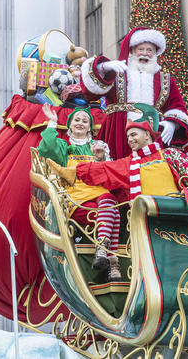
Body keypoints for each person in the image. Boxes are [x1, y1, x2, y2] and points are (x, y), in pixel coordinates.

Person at [47, 104, 188, 205]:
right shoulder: (129, 163)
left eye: (134, 134)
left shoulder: (168, 155)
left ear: (147, 135)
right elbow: (101, 170)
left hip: (176, 212)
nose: (130, 140)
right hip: (145, 221)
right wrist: (70, 172)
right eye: (128, 136)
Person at [37, 104, 122, 281]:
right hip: (76, 198)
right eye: (77, 120)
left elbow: (109, 173)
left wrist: (103, 159)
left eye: (85, 121)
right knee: (112, 211)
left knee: (109, 200)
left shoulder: (98, 146)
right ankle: (111, 260)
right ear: (70, 125)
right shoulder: (63, 146)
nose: (81, 123)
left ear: (90, 127)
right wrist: (52, 123)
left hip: (99, 193)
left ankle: (102, 250)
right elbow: (46, 149)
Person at [79, 27, 188, 159]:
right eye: (141, 49)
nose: (145, 53)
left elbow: (177, 106)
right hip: (116, 131)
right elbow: (90, 93)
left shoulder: (165, 79)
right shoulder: (116, 72)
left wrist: (172, 123)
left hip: (152, 133)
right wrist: (104, 67)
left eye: (150, 50)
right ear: (132, 51)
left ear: (156, 53)